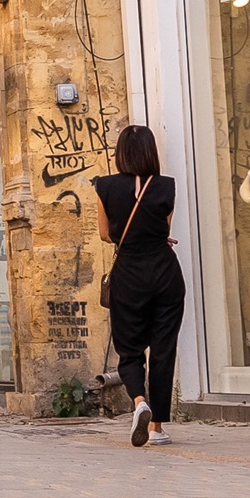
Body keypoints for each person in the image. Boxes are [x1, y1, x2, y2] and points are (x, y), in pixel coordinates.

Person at [95, 126, 186, 447]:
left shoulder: (104, 186)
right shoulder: (166, 186)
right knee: (163, 348)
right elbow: (163, 229)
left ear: (121, 152)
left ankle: (139, 402)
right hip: (164, 272)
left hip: (129, 275)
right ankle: (157, 428)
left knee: (130, 349)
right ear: (150, 152)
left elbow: (106, 235)